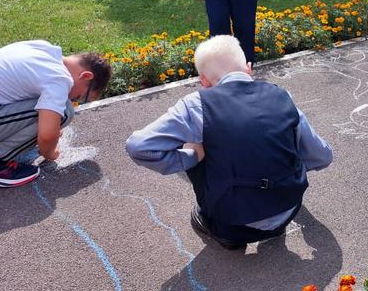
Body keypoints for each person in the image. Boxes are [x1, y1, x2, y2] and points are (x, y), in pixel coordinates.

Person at [126, 35, 333, 251]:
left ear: (204, 81)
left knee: (198, 141)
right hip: (288, 209)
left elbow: (138, 146)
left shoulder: (196, 105)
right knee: (285, 138)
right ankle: (270, 216)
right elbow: (322, 156)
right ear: (248, 68)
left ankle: (223, 229)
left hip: (232, 223)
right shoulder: (282, 96)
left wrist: (192, 156)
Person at [0, 40, 111, 187]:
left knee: (50, 112)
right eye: (79, 97)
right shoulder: (58, 78)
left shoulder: (43, 49)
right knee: (65, 111)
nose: (73, 100)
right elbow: (47, 136)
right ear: (86, 76)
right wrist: (50, 152)